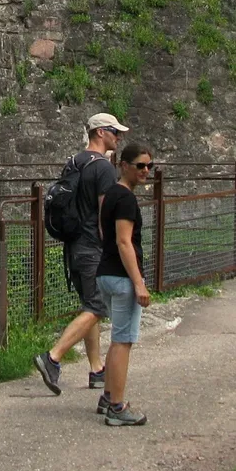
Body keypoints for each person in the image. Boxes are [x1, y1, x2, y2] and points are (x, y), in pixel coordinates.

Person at [33, 113, 128, 397]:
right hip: (92, 248)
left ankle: (97, 369)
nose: (118, 136)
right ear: (100, 133)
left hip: (73, 246)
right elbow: (105, 216)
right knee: (97, 307)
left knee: (90, 305)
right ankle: (52, 358)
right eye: (114, 131)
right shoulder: (104, 169)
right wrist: (113, 249)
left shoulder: (75, 161)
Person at [97, 143, 153, 426]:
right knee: (123, 341)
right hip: (121, 278)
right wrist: (139, 283)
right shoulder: (126, 199)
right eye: (140, 165)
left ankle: (108, 395)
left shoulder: (109, 196)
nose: (145, 171)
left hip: (105, 274)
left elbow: (103, 233)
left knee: (117, 338)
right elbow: (123, 241)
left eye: (149, 166)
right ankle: (117, 408)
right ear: (124, 165)